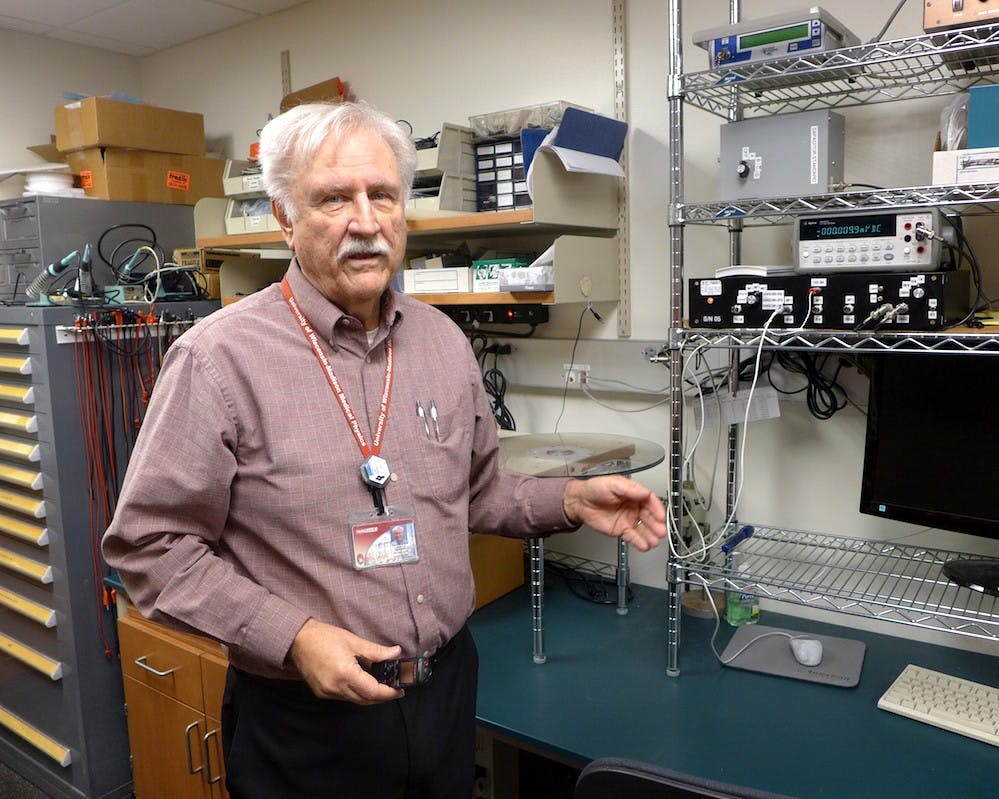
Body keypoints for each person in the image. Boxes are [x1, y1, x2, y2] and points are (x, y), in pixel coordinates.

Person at [101, 100, 667, 799]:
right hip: (307, 722)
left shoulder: (441, 342)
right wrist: (296, 635)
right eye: (333, 198)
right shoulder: (217, 360)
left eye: (382, 195)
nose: (365, 221)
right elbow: (149, 545)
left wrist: (571, 498)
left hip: (445, 689)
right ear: (284, 215)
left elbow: (478, 491)